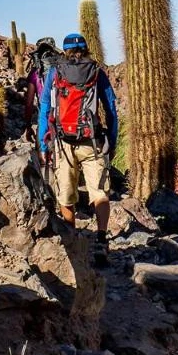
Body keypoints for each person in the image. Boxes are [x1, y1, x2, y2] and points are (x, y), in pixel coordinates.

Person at [38, 33, 118, 267]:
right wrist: (111, 142)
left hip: (64, 142)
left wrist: (44, 145)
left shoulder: (55, 72)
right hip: (92, 141)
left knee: (66, 194)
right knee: (99, 193)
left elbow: (45, 108)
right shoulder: (96, 72)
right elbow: (111, 108)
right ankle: (101, 239)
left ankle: (72, 241)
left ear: (64, 51)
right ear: (86, 49)